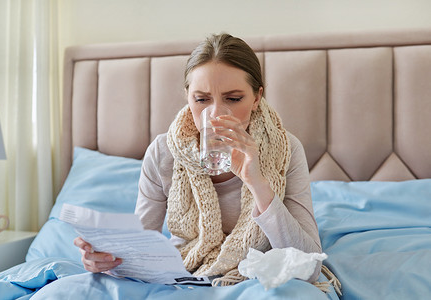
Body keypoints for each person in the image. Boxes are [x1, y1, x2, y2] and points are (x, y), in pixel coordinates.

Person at [74, 33, 323, 287]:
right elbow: (140, 249)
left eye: (233, 99)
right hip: (183, 277)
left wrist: (257, 182)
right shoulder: (163, 153)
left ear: (257, 98)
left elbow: (310, 267)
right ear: (187, 96)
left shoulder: (286, 150)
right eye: (201, 99)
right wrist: (105, 259)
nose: (215, 114)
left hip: (258, 280)